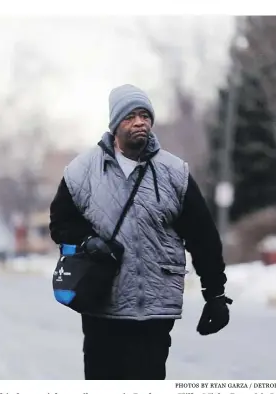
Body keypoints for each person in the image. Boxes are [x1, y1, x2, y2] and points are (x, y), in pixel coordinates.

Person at [49, 84, 231, 380]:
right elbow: (60, 223)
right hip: (101, 305)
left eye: (145, 115)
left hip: (153, 310)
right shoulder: (81, 171)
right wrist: (88, 241)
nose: (139, 122)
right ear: (115, 124)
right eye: (130, 116)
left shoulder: (175, 173)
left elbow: (203, 238)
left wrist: (216, 294)